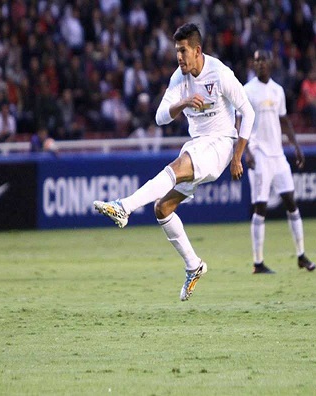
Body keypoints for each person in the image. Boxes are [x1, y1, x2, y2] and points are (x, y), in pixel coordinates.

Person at [93, 23, 255, 301]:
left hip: (220, 145)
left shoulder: (220, 73)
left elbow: (248, 112)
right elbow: (159, 117)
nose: (179, 57)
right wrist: (183, 103)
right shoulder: (179, 80)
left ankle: (124, 207)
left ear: (197, 50)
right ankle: (194, 266)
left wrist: (238, 155)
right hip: (197, 144)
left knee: (178, 166)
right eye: (176, 51)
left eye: (183, 51)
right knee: (163, 208)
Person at [241, 50, 316, 275]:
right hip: (259, 153)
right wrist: (245, 151)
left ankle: (301, 255)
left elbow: (283, 120)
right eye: (256, 61)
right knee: (261, 207)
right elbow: (239, 121)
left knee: (291, 203)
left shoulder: (278, 90)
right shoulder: (247, 91)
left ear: (270, 63)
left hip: (278, 154)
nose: (260, 64)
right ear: (253, 64)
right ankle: (258, 262)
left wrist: (296, 146)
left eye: (263, 60)